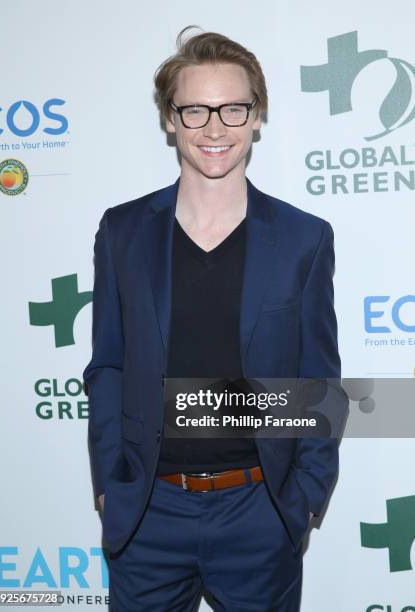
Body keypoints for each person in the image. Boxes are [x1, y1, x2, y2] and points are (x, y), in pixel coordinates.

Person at [83, 25, 347, 612]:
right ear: (169, 118)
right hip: (148, 514)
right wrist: (110, 485)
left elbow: (321, 383)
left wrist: (303, 497)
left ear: (257, 116)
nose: (215, 128)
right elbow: (107, 364)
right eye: (195, 110)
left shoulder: (304, 239)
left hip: (260, 513)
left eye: (233, 108)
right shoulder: (123, 232)